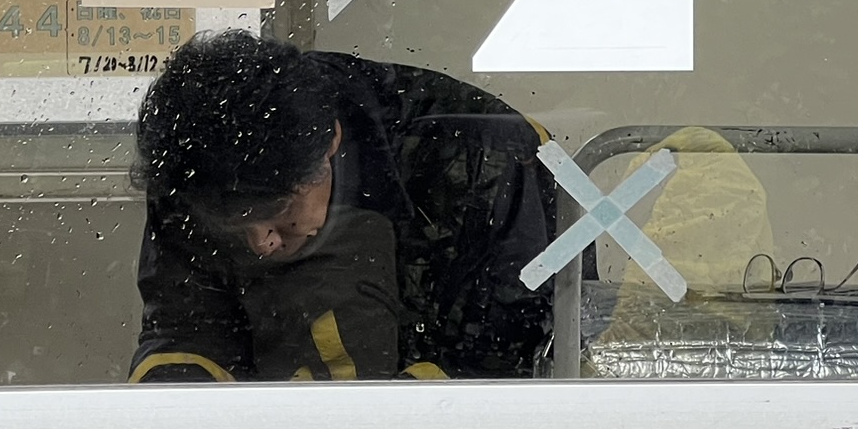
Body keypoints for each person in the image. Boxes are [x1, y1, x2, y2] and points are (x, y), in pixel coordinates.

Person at [128, 28, 556, 383]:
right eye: (233, 225)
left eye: (279, 212)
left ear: (330, 142)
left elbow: (509, 356)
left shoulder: (487, 157)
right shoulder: (192, 162)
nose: (261, 244)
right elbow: (183, 329)